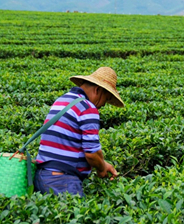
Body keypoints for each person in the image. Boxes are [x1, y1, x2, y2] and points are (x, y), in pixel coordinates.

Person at [32, 66, 124, 196]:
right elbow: (91, 154)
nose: (104, 104)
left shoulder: (63, 100)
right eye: (107, 99)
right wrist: (101, 168)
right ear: (98, 90)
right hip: (61, 180)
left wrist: (103, 163)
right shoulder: (87, 108)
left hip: (43, 175)